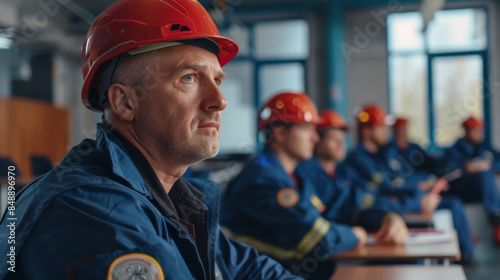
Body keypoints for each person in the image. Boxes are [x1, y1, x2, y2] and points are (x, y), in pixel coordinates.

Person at [0, 1, 301, 279]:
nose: (219, 100)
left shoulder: (172, 198)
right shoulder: (94, 210)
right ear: (125, 102)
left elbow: (250, 269)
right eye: (189, 77)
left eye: (217, 80)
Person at [221, 97, 407, 280]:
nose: (315, 137)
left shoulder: (297, 176)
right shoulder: (261, 180)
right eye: (307, 129)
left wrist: (386, 215)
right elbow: (317, 238)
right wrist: (355, 235)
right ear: (279, 132)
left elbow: (343, 202)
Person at [342, 105, 475, 263]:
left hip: (407, 204)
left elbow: (400, 179)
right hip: (387, 216)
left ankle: (466, 255)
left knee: (453, 202)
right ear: (366, 131)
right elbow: (387, 190)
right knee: (417, 255)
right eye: (382, 127)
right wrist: (418, 200)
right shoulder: (359, 160)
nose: (387, 131)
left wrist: (424, 187)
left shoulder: (384, 154)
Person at [443, 116, 500, 221]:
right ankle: (494, 213)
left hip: (482, 188)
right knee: (485, 174)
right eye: (475, 131)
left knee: (486, 173)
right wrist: (466, 168)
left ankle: (496, 214)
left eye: (480, 131)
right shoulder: (454, 149)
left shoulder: (484, 146)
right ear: (466, 131)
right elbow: (449, 170)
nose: (479, 134)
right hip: (463, 189)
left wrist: (488, 165)